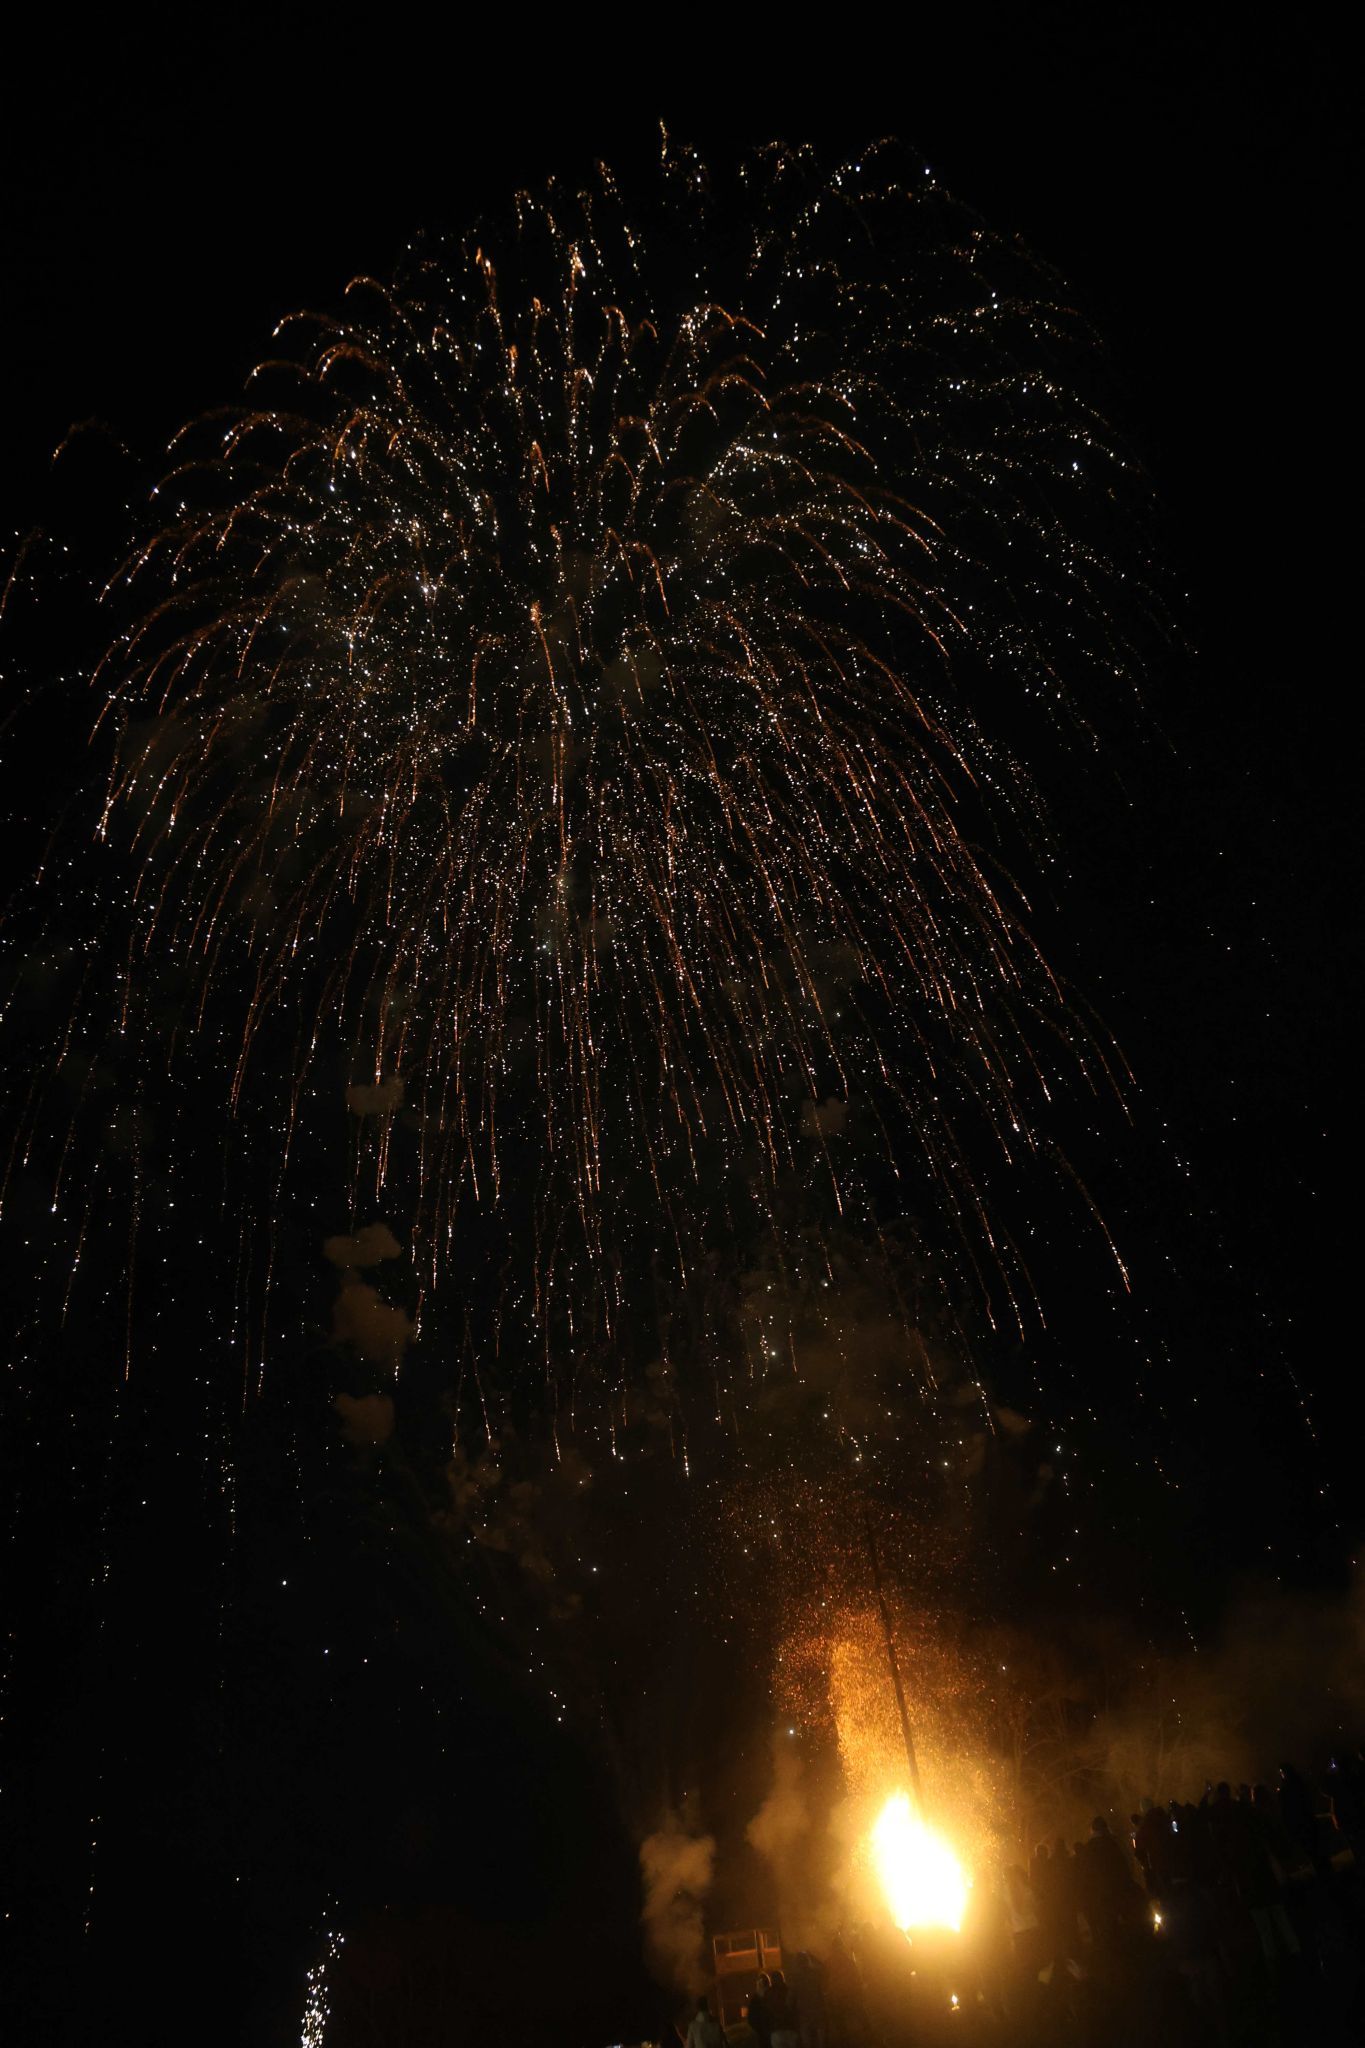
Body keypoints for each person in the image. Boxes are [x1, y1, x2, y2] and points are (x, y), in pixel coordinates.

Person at [766, 1967, 799, 2048]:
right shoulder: (788, 1990)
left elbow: (766, 2011)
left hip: (776, 2029)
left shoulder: (769, 1993)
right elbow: (795, 2008)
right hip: (790, 2028)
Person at [747, 1970, 774, 2047]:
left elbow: (751, 2018)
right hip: (770, 2032)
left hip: (763, 2033)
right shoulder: (772, 1996)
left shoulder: (755, 1999)